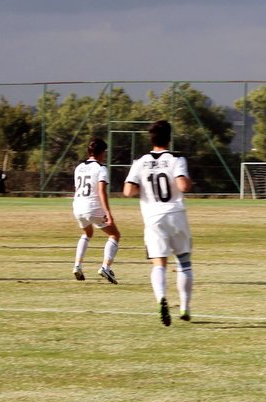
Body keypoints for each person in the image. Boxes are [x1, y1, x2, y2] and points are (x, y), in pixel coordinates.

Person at [124, 120, 194, 326]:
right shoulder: (176, 159)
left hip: (153, 218)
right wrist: (188, 182)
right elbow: (183, 184)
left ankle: (161, 298)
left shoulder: (140, 161)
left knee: (159, 264)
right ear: (169, 138)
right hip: (176, 214)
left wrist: (143, 187)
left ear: (151, 138)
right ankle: (185, 307)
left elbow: (128, 190)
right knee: (184, 262)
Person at [71, 138, 121, 284]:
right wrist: (108, 213)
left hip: (77, 206)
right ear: (101, 152)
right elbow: (101, 192)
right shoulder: (101, 168)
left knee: (87, 233)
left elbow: (77, 189)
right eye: (105, 152)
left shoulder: (79, 167)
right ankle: (105, 267)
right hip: (92, 207)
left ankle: (77, 266)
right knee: (114, 234)